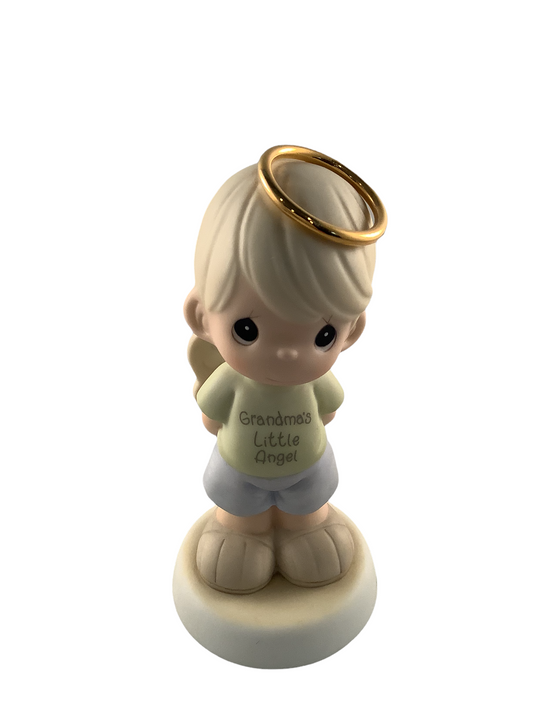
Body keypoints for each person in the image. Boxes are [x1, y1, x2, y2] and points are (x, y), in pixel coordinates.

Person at [184, 146, 385, 594]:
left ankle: (304, 529)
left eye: (323, 335)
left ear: (351, 331)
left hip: (306, 468)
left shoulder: (313, 383)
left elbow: (324, 410)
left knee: (308, 512)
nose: (287, 355)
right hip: (240, 470)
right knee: (242, 519)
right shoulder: (231, 381)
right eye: (248, 329)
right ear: (202, 317)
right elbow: (214, 416)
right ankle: (244, 533)